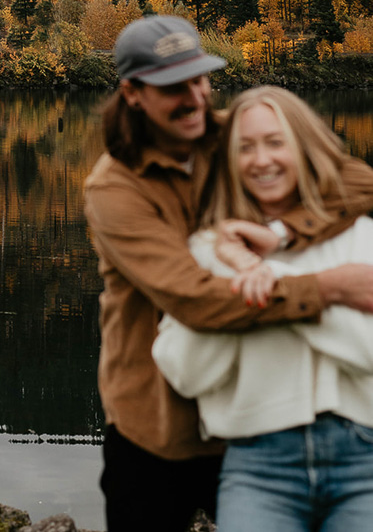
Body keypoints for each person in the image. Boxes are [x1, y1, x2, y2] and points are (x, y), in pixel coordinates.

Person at [83, 15, 373, 532]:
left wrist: (284, 231)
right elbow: (194, 298)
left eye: (199, 78)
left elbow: (355, 181)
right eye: (173, 86)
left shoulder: (235, 138)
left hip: (257, 415)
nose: (195, 97)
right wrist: (329, 288)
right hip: (159, 425)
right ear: (132, 93)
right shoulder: (114, 189)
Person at [153, 86, 373, 531]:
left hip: (365, 459)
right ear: (230, 161)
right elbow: (186, 372)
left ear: (304, 146)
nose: (261, 160)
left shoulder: (360, 236)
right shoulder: (211, 251)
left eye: (275, 142)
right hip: (259, 467)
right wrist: (326, 291)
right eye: (245, 147)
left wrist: (267, 291)